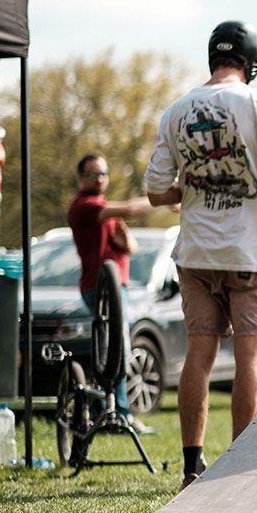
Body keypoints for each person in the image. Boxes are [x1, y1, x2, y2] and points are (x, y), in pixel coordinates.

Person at [145, 20, 257, 490]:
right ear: (252, 65)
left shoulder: (177, 110)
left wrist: (195, 185)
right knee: (251, 358)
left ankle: (192, 466)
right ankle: (241, 468)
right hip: (253, 254)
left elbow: (154, 192)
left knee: (199, 353)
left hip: (197, 253)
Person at [67, 152, 156, 435]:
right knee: (117, 350)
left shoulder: (103, 207)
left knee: (113, 349)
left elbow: (127, 244)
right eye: (94, 174)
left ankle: (109, 411)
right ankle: (116, 414)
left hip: (117, 287)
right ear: (81, 178)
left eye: (104, 173)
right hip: (100, 288)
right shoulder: (85, 206)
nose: (100, 179)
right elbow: (129, 209)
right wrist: (163, 198)